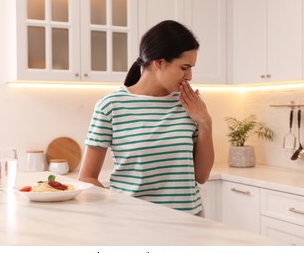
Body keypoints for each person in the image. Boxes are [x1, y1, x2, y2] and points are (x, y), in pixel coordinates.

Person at [78, 20, 214, 215]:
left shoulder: (190, 103)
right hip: (134, 225)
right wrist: (118, 209)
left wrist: (205, 121)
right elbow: (87, 177)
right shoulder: (110, 106)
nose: (189, 76)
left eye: (191, 68)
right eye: (184, 67)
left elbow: (201, 176)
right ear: (159, 62)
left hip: (190, 222)